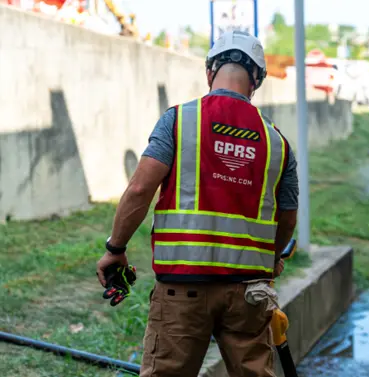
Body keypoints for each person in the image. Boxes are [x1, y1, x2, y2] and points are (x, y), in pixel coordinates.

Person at [96, 30, 299, 377]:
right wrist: (273, 257)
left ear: (210, 72)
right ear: (256, 81)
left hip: (182, 291)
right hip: (249, 294)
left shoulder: (179, 120)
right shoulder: (277, 142)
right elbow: (288, 218)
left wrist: (116, 247)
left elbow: (140, 188)